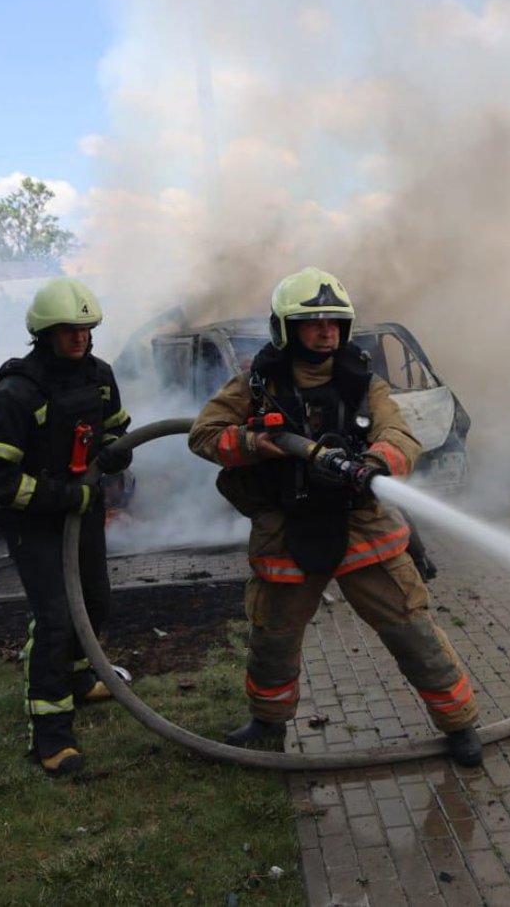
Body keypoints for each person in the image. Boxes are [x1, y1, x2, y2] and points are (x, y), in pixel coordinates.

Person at [189, 267, 483, 766]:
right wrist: (252, 443)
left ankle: (460, 725)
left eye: (333, 322)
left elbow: (401, 439)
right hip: (286, 530)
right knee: (273, 636)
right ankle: (267, 723)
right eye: (312, 322)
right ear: (286, 328)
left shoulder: (365, 383)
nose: (326, 331)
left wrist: (373, 465)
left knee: (411, 631)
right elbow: (203, 434)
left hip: (362, 526)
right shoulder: (255, 386)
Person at [0, 278, 133, 775]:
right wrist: (67, 495)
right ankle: (51, 735)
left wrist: (112, 451)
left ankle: (82, 677)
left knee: (96, 600)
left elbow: (116, 426)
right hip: (34, 521)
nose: (80, 338)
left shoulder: (100, 376)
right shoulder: (17, 394)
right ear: (45, 333)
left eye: (86, 329)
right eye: (68, 331)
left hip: (80, 510)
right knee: (57, 617)